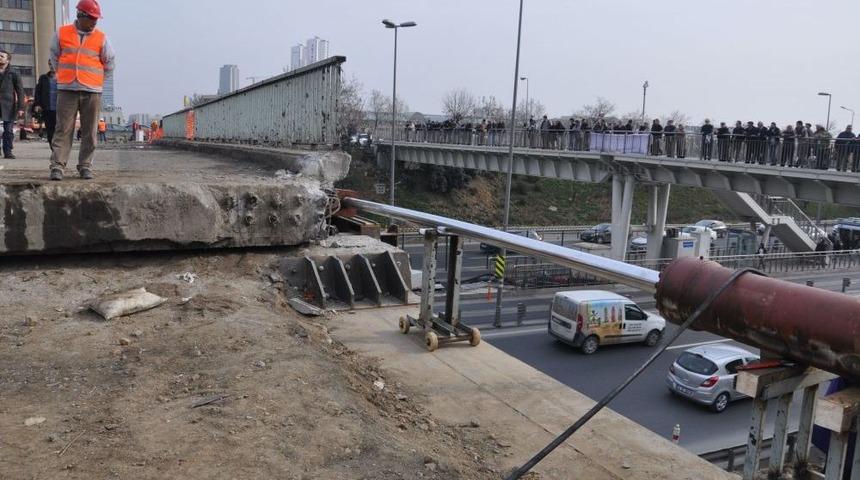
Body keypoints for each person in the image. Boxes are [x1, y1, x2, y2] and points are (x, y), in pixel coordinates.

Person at [49, 0, 114, 181]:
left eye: (96, 18)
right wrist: (61, 74)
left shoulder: (101, 38)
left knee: (90, 130)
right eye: (92, 18)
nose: (95, 22)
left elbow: (110, 63)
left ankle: (85, 166)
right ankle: (57, 166)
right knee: (63, 129)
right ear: (80, 15)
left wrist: (98, 81)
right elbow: (54, 56)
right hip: (67, 88)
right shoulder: (62, 33)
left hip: (92, 90)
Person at [0, 48, 24, 159]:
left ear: (8, 60)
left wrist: (21, 107)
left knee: (8, 130)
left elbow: (20, 91)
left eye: (2, 56)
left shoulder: (14, 73)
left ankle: (8, 151)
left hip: (9, 106)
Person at [34, 64, 57, 148]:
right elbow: (38, 92)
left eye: (53, 63)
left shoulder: (64, 77)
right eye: (50, 64)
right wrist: (37, 104)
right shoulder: (43, 78)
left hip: (61, 109)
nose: (52, 65)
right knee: (50, 130)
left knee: (60, 130)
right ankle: (53, 149)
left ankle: (60, 150)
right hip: (47, 108)